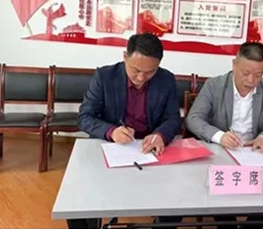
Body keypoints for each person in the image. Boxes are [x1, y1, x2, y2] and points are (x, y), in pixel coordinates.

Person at [68, 33, 182, 229]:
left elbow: (173, 118)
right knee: (77, 199)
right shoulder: (104, 77)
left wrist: (160, 135)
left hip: (149, 152)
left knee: (176, 201)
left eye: (150, 72)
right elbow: (85, 117)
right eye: (136, 70)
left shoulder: (166, 80)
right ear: (125, 57)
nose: (141, 78)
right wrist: (111, 131)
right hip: (111, 148)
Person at [186, 42, 263, 229]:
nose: (251, 80)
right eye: (245, 73)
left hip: (253, 152)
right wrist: (219, 136)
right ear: (234, 64)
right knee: (223, 193)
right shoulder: (214, 85)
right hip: (221, 151)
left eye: (258, 74)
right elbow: (193, 118)